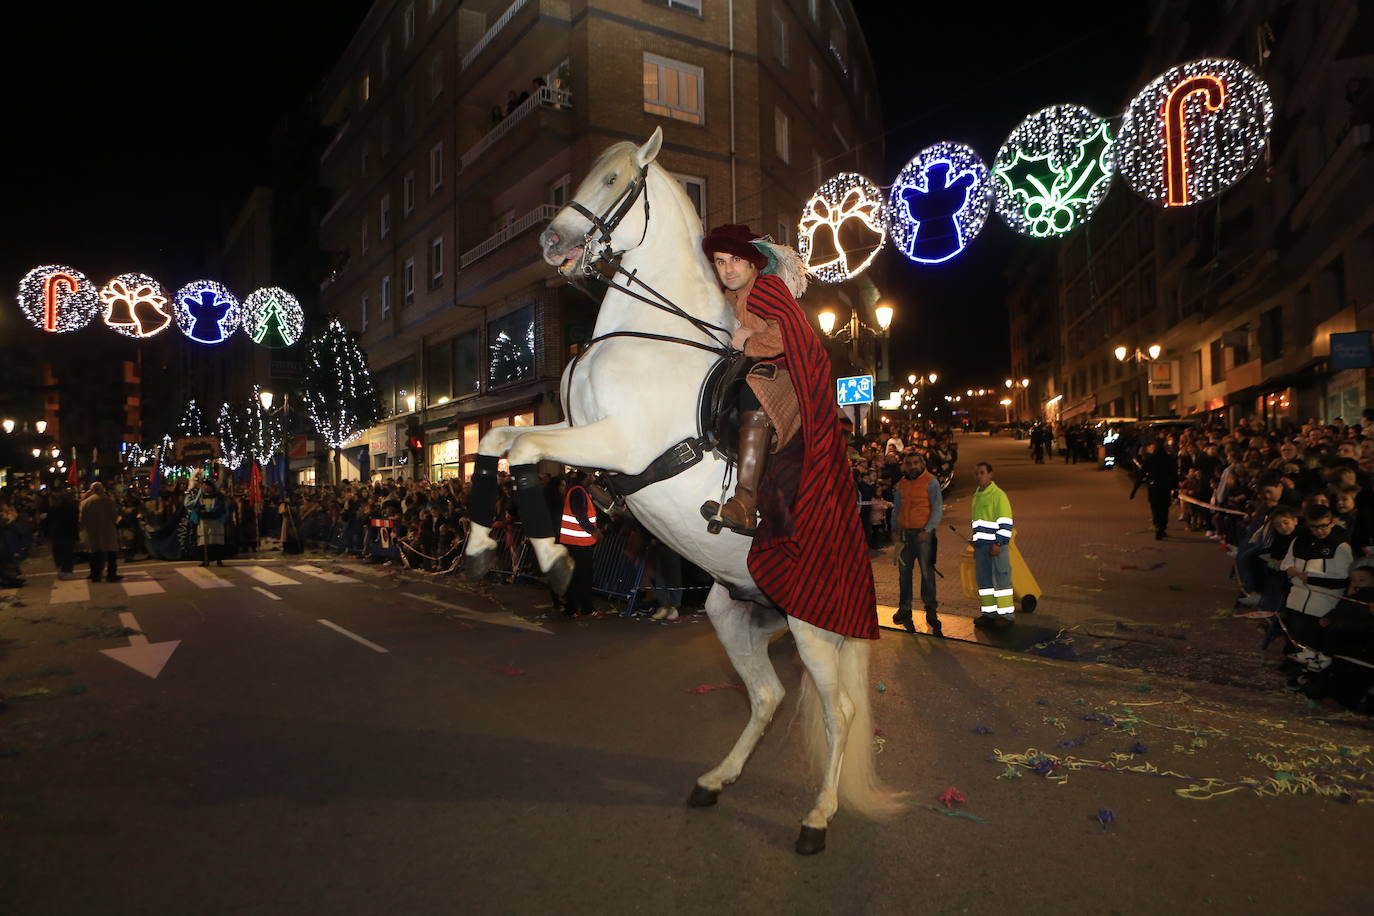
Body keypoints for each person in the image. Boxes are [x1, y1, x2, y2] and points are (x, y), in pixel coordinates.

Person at [697, 223, 800, 536]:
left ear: (753, 262)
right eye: (720, 261)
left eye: (735, 260)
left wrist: (749, 341)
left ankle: (744, 502)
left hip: (778, 377)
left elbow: (789, 335)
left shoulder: (768, 288)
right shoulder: (725, 300)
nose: (728, 269)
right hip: (743, 371)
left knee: (752, 391)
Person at [1282, 504, 1353, 672]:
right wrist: (1288, 569)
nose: (1319, 531)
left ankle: (1310, 671)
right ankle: (1295, 664)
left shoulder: (1340, 545)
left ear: (1331, 523)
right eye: (1314, 527)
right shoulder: (1299, 540)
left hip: (1323, 600)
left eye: (1323, 526)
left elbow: (1342, 578)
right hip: (1297, 598)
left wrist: (1311, 578)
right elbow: (1287, 562)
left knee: (1313, 637)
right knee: (1295, 634)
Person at [891, 451, 943, 634]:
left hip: (923, 535)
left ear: (922, 464)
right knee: (904, 574)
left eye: (915, 463)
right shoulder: (902, 484)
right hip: (905, 535)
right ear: (904, 465)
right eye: (908, 463)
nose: (912, 466)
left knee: (927, 573)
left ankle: (931, 610)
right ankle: (904, 608)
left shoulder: (931, 482)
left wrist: (927, 530)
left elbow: (937, 509)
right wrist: (894, 530)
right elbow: (897, 508)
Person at [970, 461, 1015, 628]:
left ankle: (1007, 617)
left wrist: (999, 542)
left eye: (982, 473)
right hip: (981, 546)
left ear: (990, 474)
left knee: (1001, 581)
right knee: (985, 582)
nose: (979, 476)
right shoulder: (977, 495)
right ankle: (989, 614)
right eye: (977, 473)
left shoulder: (998, 495)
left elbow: (1005, 522)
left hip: (995, 546)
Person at [559, 470, 599, 616]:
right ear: (586, 476)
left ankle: (572, 608)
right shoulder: (579, 491)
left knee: (575, 576)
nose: (594, 478)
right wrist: (593, 530)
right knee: (584, 576)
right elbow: (580, 514)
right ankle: (585, 607)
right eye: (592, 475)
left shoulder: (575, 490)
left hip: (572, 541)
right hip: (580, 543)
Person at [1132, 438, 1179, 539]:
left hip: (1154, 486)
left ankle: (1157, 526)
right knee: (1164, 508)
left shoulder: (1150, 459)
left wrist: (1134, 490)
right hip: (1165, 487)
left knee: (1155, 507)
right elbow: (1174, 475)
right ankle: (1162, 527)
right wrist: (1175, 488)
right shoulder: (1170, 459)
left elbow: (1141, 474)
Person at [79, 482, 122, 582]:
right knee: (111, 554)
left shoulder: (85, 503)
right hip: (108, 531)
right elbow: (114, 517)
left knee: (94, 554)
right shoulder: (108, 501)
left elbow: (82, 519)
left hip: (91, 531)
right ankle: (111, 574)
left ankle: (95, 574)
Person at [43, 488, 80, 580]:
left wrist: (47, 533)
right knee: (68, 552)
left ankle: (61, 569)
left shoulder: (54, 508)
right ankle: (67, 571)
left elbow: (48, 521)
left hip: (57, 533)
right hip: (68, 533)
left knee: (59, 551)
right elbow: (75, 521)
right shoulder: (71, 508)